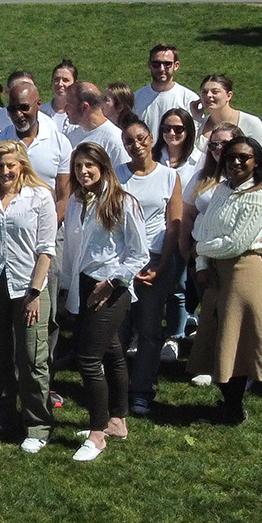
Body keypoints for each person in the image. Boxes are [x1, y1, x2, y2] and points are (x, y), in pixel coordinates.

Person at [57, 145, 150, 461]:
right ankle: (117, 421)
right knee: (111, 352)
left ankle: (97, 435)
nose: (83, 172)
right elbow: (71, 250)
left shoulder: (123, 202)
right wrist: (66, 287)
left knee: (87, 358)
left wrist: (113, 282)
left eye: (89, 166)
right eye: (78, 166)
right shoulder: (75, 202)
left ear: (103, 166)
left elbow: (139, 253)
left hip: (111, 288)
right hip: (82, 285)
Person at [0, 142, 59, 452]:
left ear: (22, 165)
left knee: (32, 357)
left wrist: (35, 293)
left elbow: (46, 249)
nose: (5, 171)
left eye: (11, 165)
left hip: (28, 286)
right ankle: (0, 411)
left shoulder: (39, 197)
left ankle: (37, 424)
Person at [186, 136, 262, 425]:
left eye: (244, 158)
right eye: (231, 157)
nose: (237, 163)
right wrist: (202, 263)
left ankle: (234, 408)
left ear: (257, 163)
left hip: (242, 272)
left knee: (235, 341)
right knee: (217, 335)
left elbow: (234, 244)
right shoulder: (222, 190)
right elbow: (205, 228)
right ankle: (229, 403)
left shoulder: (256, 197)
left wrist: (198, 250)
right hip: (216, 271)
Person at [116, 116, 182, 416]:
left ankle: (141, 390)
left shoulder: (169, 177)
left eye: (141, 138)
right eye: (130, 141)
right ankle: (116, 389)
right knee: (118, 329)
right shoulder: (116, 176)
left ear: (151, 140)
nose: (137, 145)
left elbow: (174, 225)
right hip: (121, 260)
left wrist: (162, 264)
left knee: (149, 330)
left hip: (154, 260)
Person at [0, 80, 72, 210]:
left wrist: (48, 227)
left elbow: (64, 198)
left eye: (24, 107)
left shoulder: (59, 143)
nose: (18, 114)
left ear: (38, 104)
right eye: (12, 109)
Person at [197, 73, 262, 159]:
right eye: (204, 92)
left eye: (215, 92)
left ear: (229, 96)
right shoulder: (199, 124)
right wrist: (196, 118)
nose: (208, 95)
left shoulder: (251, 124)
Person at [133, 44, 198, 129]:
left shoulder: (189, 99)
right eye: (156, 64)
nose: (161, 69)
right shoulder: (136, 99)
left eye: (167, 64)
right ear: (149, 65)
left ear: (176, 65)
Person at [66, 81, 129, 168]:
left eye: (69, 104)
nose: (65, 108)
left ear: (85, 107)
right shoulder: (70, 133)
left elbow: (123, 177)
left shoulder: (115, 141)